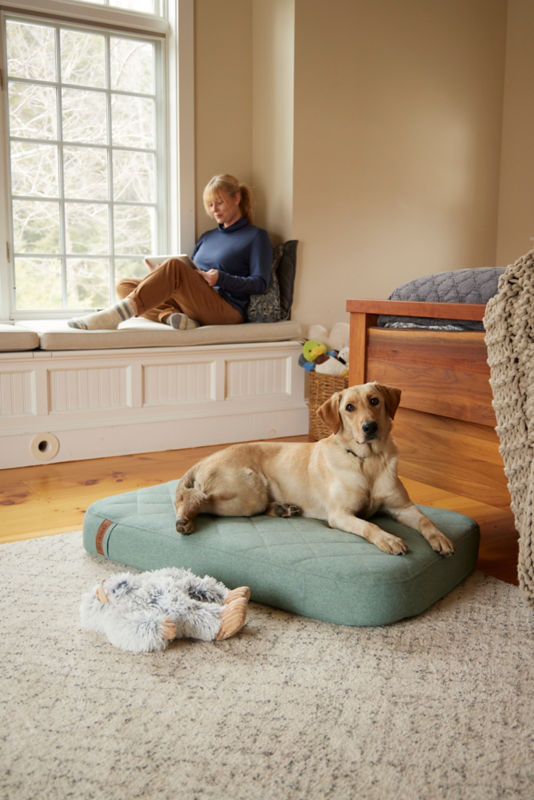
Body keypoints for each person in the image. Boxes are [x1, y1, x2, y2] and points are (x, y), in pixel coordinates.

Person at [68, 174, 272, 331]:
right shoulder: (207, 237)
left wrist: (220, 278)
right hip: (196, 303)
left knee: (174, 266)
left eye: (219, 202)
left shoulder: (255, 236)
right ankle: (172, 317)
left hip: (227, 310)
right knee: (125, 286)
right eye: (210, 205)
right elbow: (192, 273)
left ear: (236, 198)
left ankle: (114, 316)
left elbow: (261, 284)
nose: (214, 209)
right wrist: (159, 274)